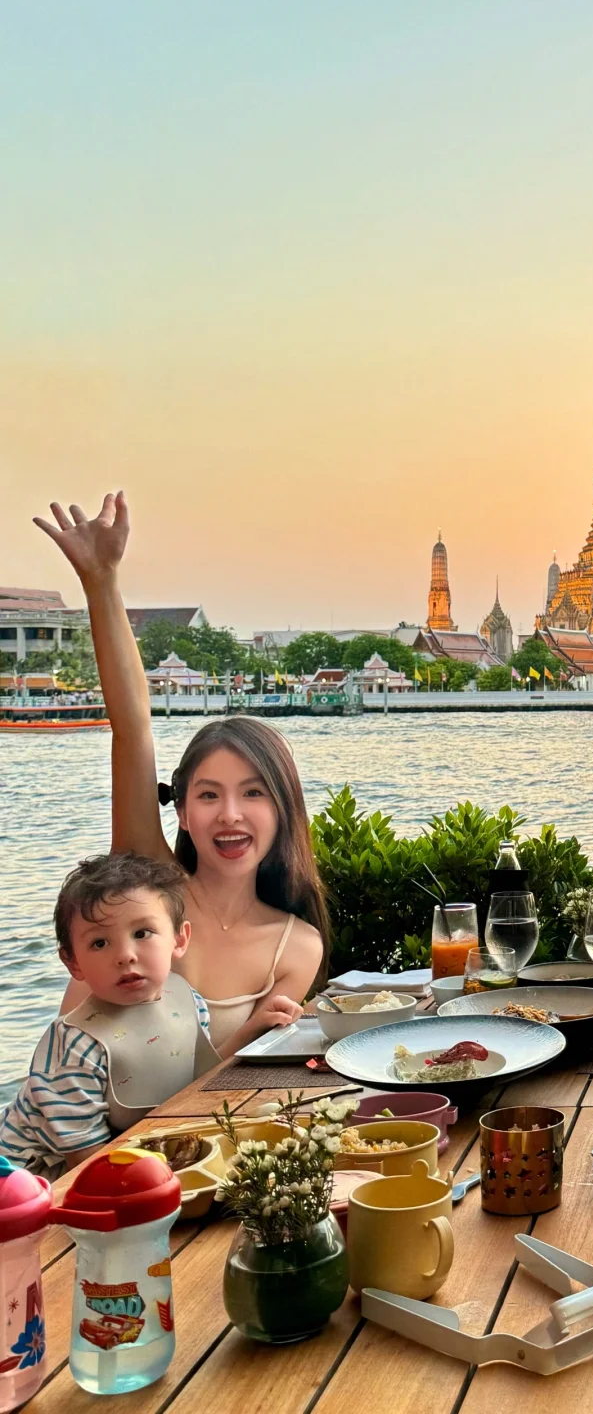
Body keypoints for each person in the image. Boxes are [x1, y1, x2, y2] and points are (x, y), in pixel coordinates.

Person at [34, 492, 327, 1057]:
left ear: (283, 809)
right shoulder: (145, 888)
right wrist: (101, 580)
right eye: (209, 794)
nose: (231, 814)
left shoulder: (295, 947)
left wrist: (247, 1040)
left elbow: (219, 1093)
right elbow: (133, 728)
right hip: (74, 1130)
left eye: (253, 793)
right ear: (182, 811)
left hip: (184, 1139)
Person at [0, 854, 219, 1176]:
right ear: (72, 961)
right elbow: (85, 1162)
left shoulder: (188, 1001)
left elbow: (193, 1085)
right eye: (100, 943)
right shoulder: (76, 1045)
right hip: (37, 1175)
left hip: (134, 1148)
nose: (125, 956)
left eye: (143, 933)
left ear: (179, 938)